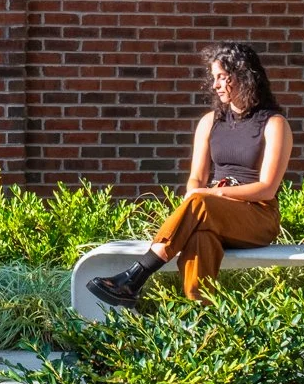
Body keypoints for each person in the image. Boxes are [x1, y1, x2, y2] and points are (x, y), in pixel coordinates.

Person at [88, 41, 293, 313]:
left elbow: (267, 189)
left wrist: (210, 194)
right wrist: (198, 195)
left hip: (257, 216)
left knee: (201, 204)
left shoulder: (274, 123)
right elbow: (196, 178)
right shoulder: (210, 122)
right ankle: (200, 315)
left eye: (222, 77)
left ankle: (135, 277)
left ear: (243, 75)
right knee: (201, 237)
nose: (216, 84)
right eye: (214, 77)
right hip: (211, 212)